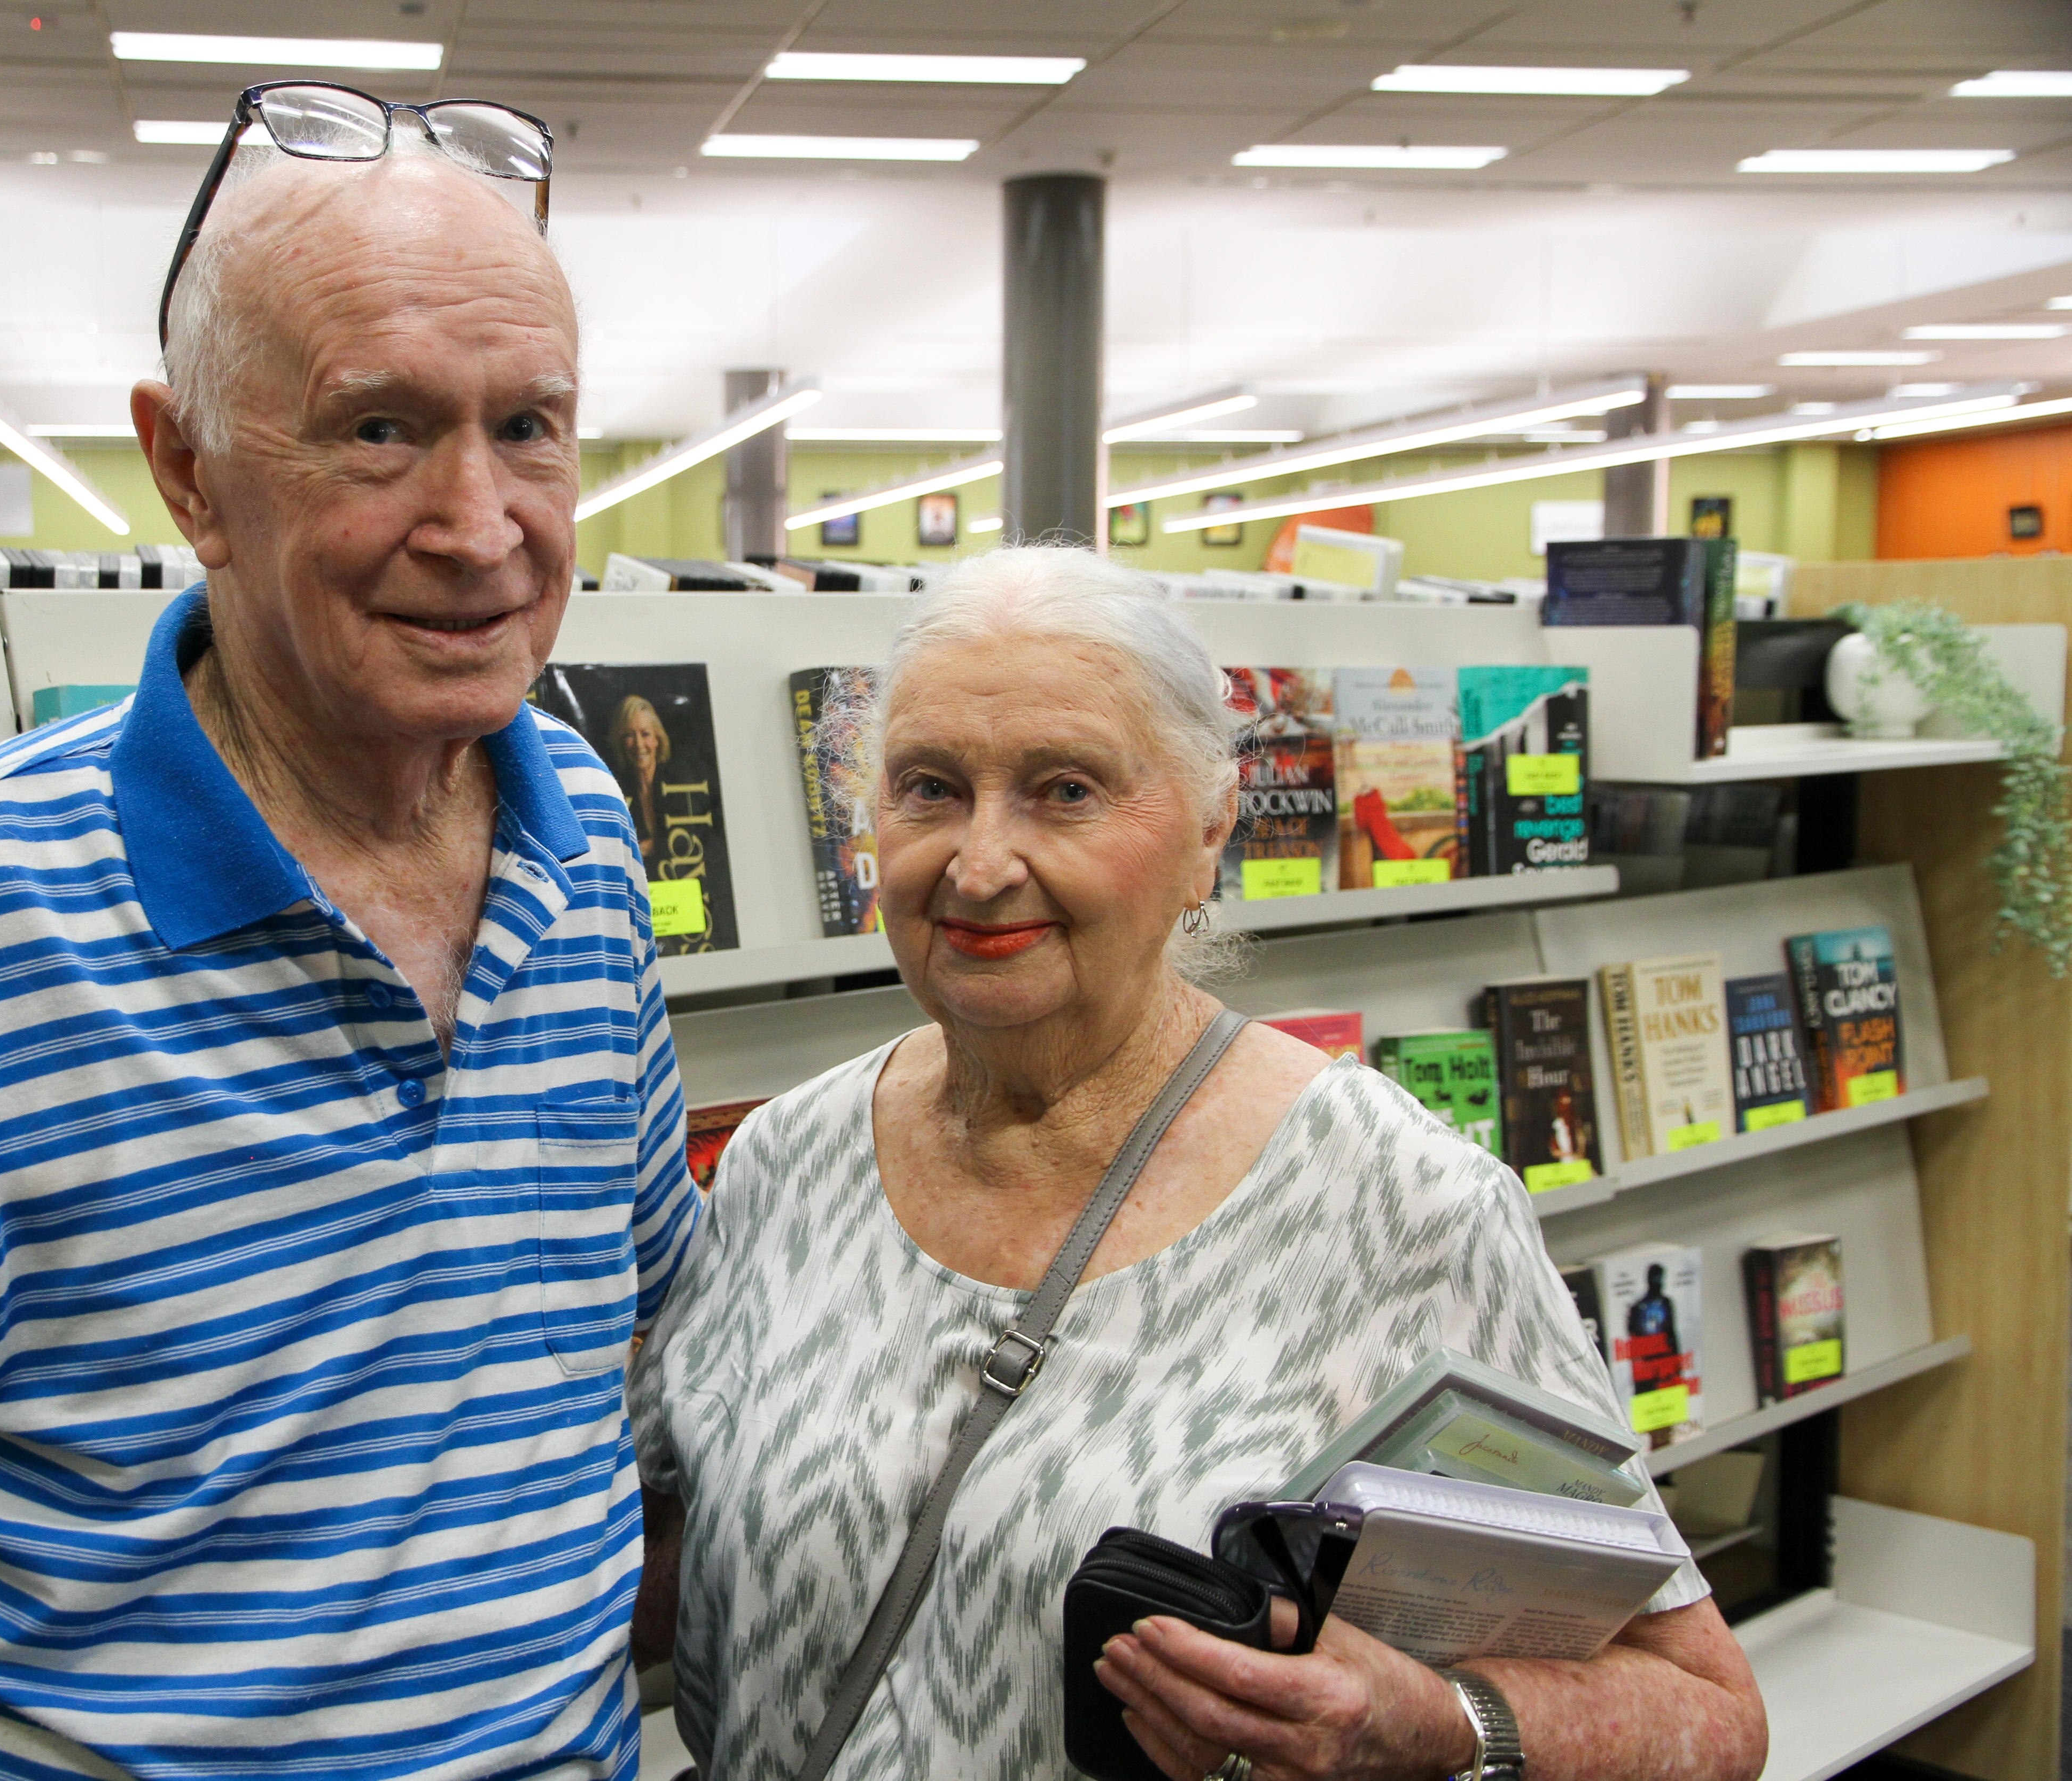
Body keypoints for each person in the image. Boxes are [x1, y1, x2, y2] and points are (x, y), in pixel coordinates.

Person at [0, 118, 698, 1779]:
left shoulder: (593, 860)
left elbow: (630, 1347)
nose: (480, 524)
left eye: (528, 428)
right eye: (381, 429)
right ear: (189, 471)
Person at [628, 547, 1767, 1781]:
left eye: (1064, 791)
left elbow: (1704, 1709)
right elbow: (667, 1561)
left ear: (1209, 826)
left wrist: (1436, 1723)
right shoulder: (783, 1163)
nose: (979, 862)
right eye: (929, 789)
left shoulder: (1397, 1204)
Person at [607, 692, 673, 874]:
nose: (638, 744)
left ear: (657, 739)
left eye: (645, 734)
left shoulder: (677, 782)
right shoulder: (616, 789)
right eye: (630, 735)